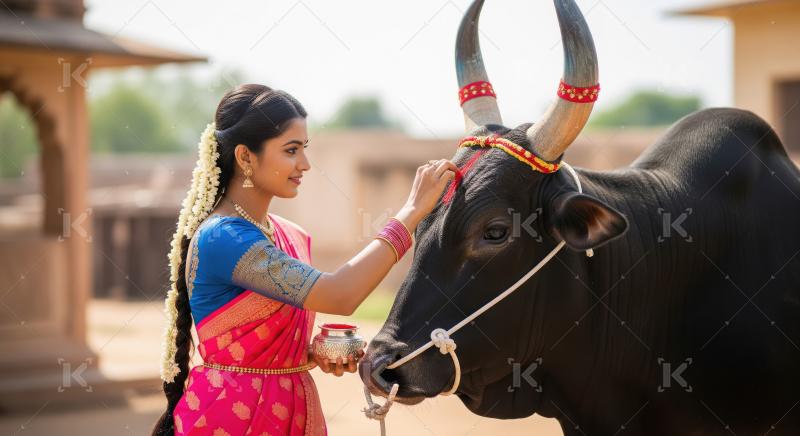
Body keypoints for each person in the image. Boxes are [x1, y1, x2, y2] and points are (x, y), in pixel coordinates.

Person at [151, 84, 457, 436]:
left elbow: (266, 341)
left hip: (292, 412)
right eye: (291, 150)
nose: (305, 164)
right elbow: (339, 295)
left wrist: (305, 354)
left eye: (304, 149)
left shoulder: (289, 234)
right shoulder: (223, 238)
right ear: (245, 157)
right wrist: (411, 212)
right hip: (230, 418)